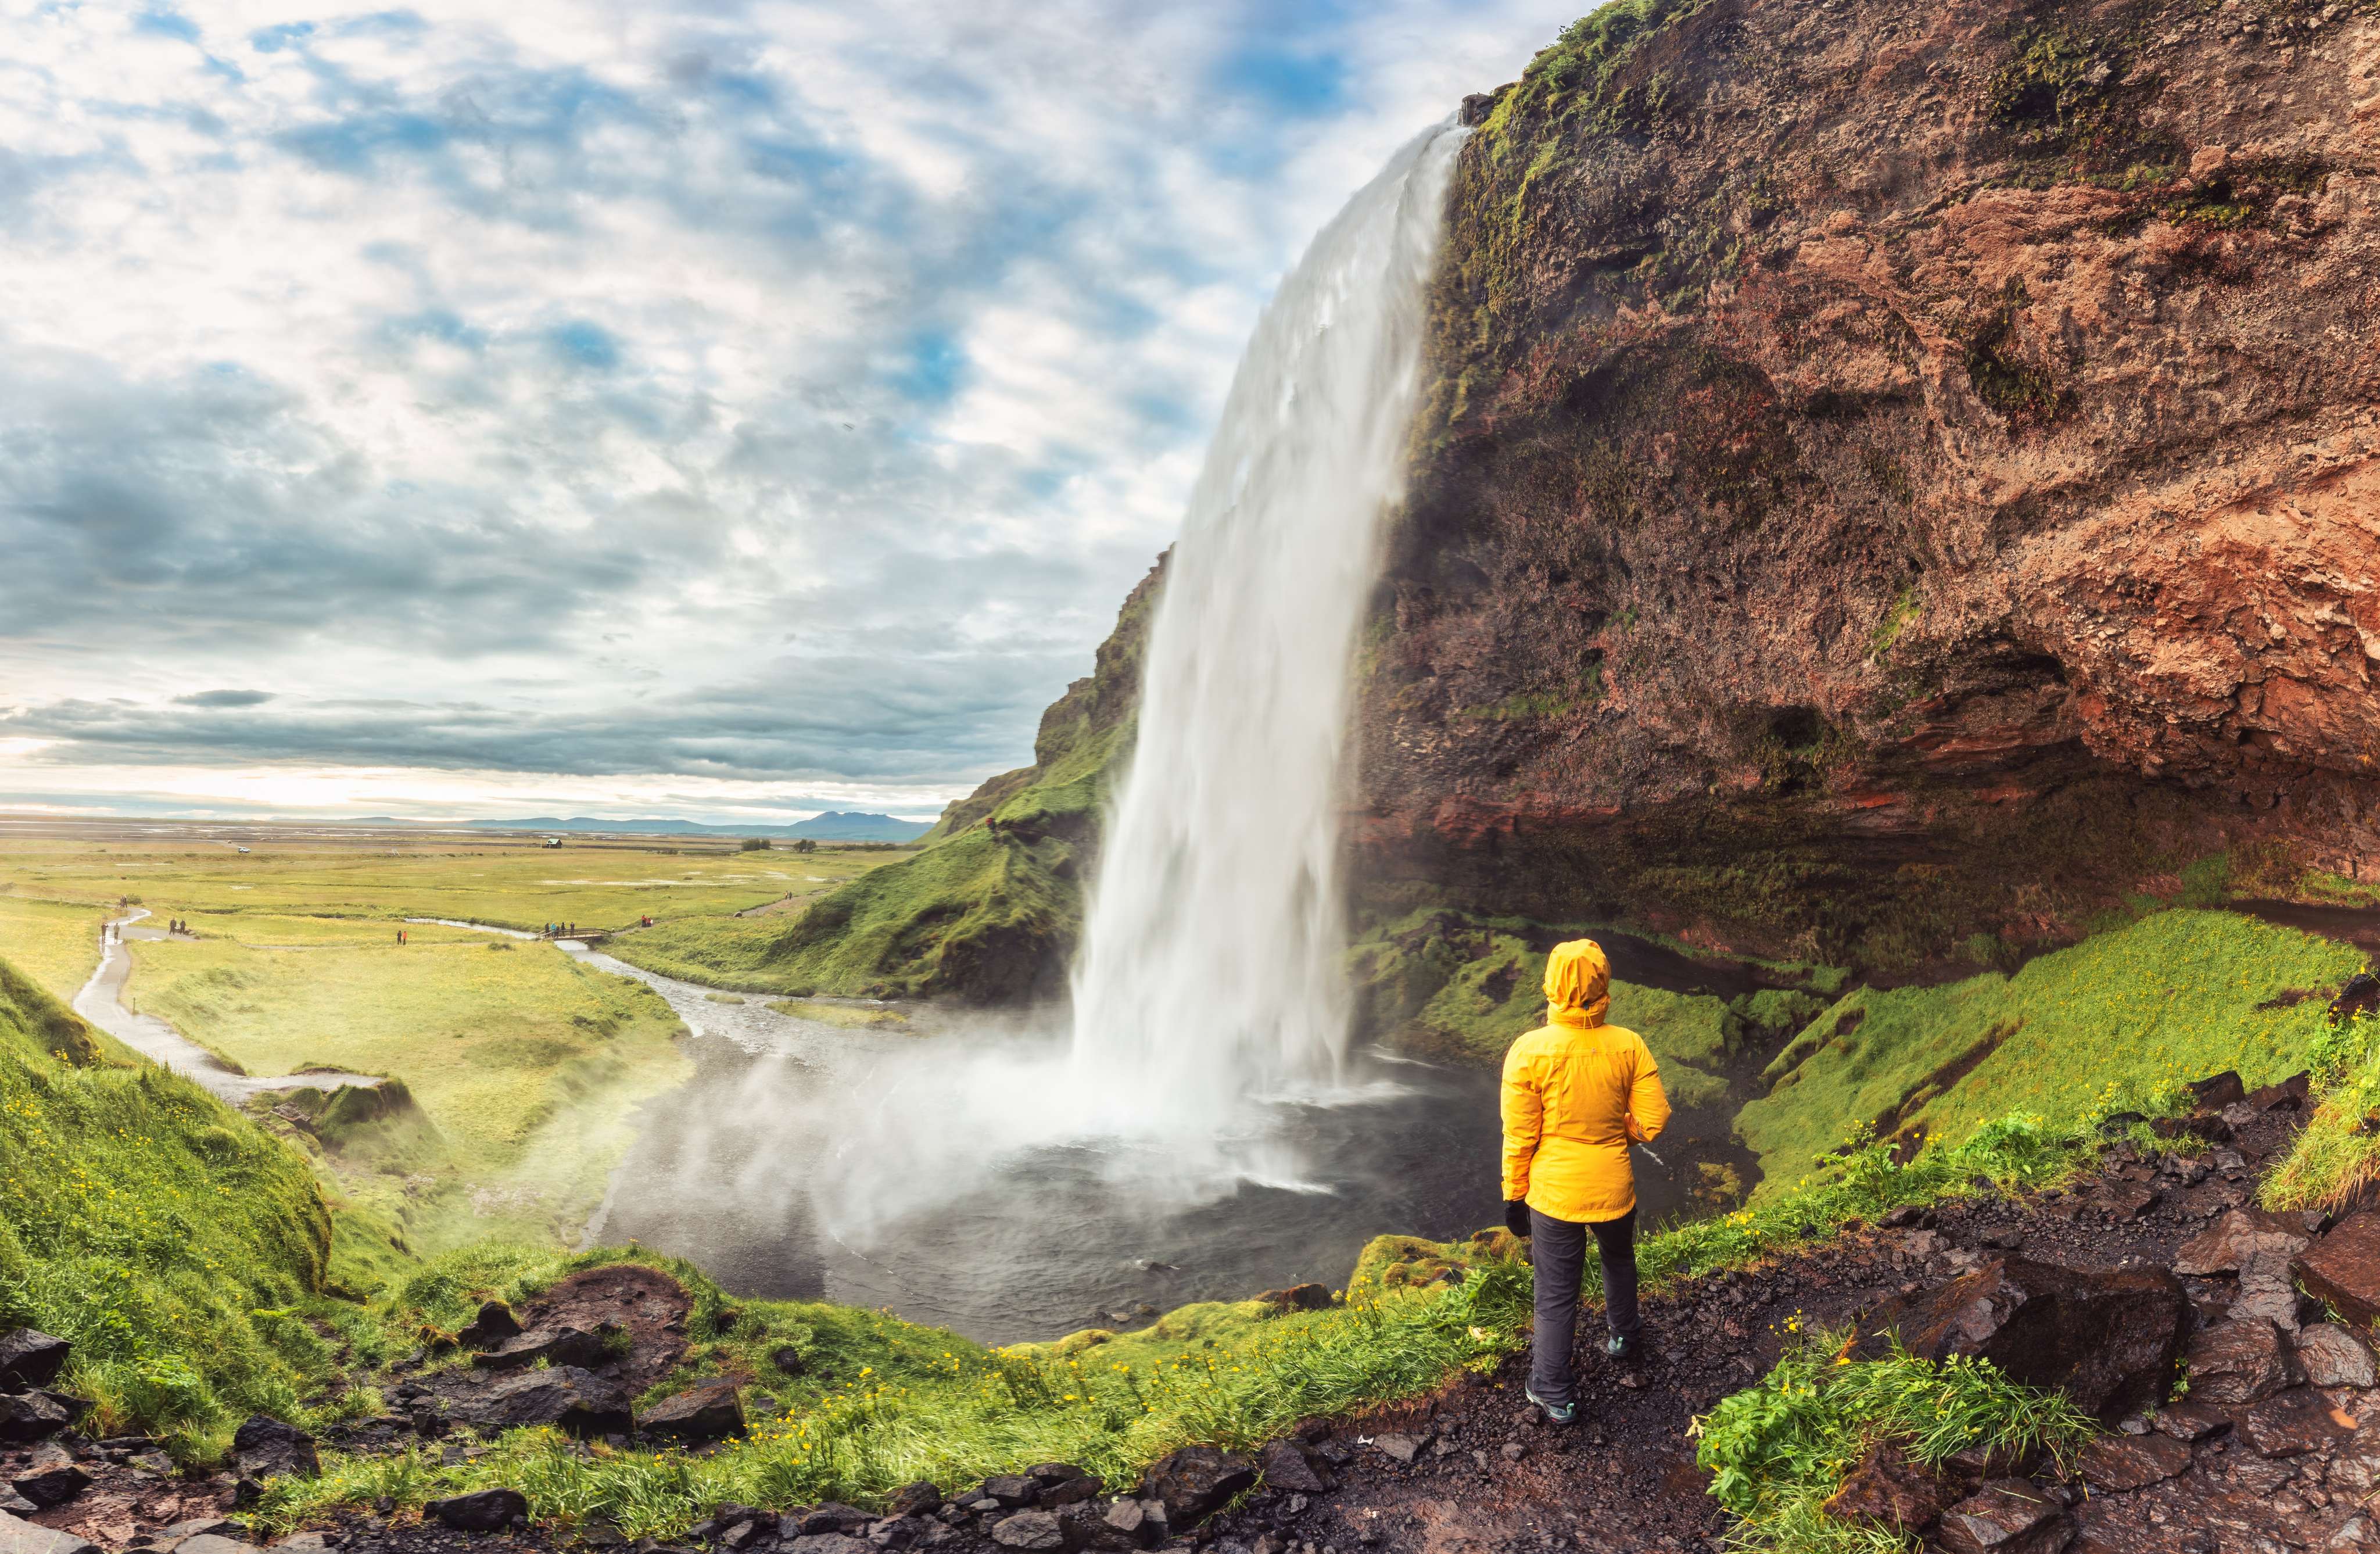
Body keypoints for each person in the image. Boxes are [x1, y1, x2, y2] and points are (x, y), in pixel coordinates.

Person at [1500, 937, 1671, 1425]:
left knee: (1555, 1293)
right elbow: (1653, 1120)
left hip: (1553, 1195)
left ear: (1550, 986)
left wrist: (1514, 1194)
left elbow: (1520, 1136)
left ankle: (1554, 1392)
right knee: (1619, 1259)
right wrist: (1612, 1135)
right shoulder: (1628, 1044)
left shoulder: (1529, 1051)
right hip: (1615, 1186)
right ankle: (1624, 1336)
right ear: (1604, 983)